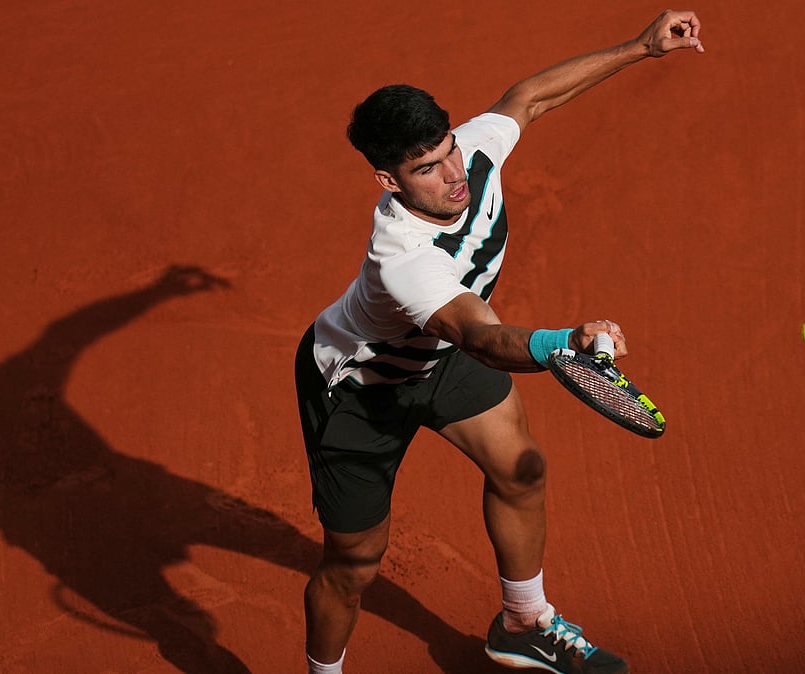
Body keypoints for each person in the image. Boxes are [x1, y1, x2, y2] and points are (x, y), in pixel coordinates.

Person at [294, 10, 704, 673]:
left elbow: (529, 98)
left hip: (439, 358)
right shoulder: (403, 257)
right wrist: (563, 341)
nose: (452, 174)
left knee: (521, 471)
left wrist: (641, 47)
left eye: (449, 149)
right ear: (389, 181)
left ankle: (523, 621)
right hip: (361, 389)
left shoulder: (471, 152)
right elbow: (479, 337)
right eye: (426, 168)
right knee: (354, 563)